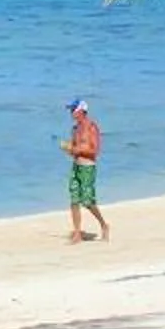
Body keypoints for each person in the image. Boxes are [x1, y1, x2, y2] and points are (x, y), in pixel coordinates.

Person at [61, 97, 109, 244]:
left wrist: (75, 149)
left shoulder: (91, 127)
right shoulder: (75, 129)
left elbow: (94, 151)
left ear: (81, 111)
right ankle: (77, 233)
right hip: (76, 166)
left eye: (73, 110)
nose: (71, 113)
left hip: (87, 167)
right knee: (74, 199)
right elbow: (74, 151)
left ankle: (104, 225)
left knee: (88, 201)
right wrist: (68, 149)